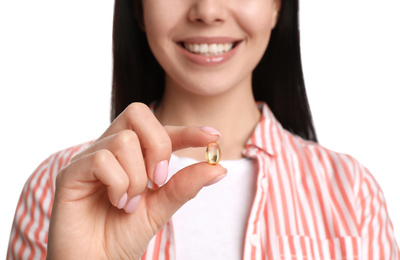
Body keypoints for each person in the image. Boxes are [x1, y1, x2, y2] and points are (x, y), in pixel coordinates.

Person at [7, 0, 400, 259]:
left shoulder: (352, 190)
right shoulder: (63, 186)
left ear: (278, 6)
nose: (207, 10)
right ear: (139, 10)